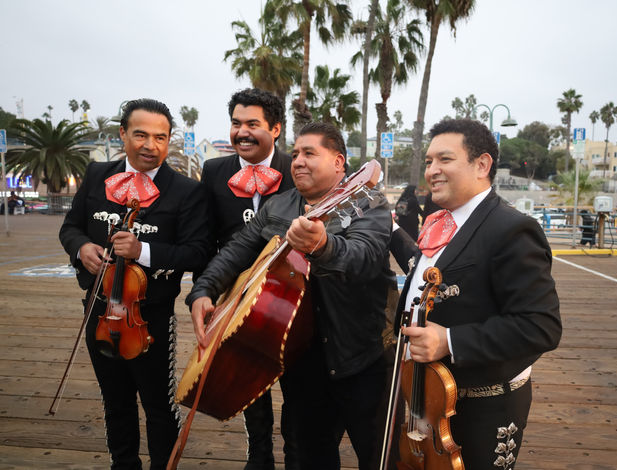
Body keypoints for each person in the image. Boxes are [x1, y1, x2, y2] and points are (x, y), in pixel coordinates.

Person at [187, 121, 393, 470]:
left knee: (378, 456)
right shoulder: (278, 206)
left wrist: (323, 245)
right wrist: (203, 290)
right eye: (295, 153)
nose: (297, 160)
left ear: (339, 162)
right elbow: (237, 250)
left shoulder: (368, 203)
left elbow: (365, 256)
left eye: (310, 153)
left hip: (361, 355)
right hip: (297, 355)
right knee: (304, 455)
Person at [393, 118, 561, 470]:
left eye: (445, 160)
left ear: (482, 165)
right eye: (428, 162)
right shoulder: (440, 222)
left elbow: (540, 326)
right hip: (425, 400)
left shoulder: (512, 229)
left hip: (483, 408)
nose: (432, 170)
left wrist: (450, 340)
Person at [59, 98, 211, 469]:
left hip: (150, 317)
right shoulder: (96, 174)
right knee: (115, 400)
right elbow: (70, 228)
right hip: (97, 309)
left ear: (169, 140)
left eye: (160, 137)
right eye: (140, 134)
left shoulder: (187, 191)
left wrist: (143, 250)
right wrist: (82, 249)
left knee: (158, 404)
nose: (150, 145)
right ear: (123, 134)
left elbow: (198, 252)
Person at [199, 88, 296, 470]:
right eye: (236, 124)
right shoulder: (214, 171)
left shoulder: (299, 167)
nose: (242, 132)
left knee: (296, 383)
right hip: (236, 292)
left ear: (275, 128)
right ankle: (259, 457)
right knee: (247, 379)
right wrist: (209, 288)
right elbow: (206, 236)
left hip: (291, 292)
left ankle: (295, 455)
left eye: (253, 124)